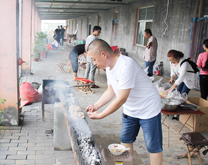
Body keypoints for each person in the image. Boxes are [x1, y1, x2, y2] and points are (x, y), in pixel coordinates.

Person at [86, 39, 163, 165]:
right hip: (130, 109)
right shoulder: (109, 67)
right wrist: (96, 105)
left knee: (153, 146)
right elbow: (111, 90)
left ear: (104, 55)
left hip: (148, 109)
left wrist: (101, 115)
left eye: (94, 59)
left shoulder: (126, 65)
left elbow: (121, 98)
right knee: (126, 140)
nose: (94, 63)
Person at [166, 50, 195, 120]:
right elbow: (172, 71)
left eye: (173, 60)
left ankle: (178, 114)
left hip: (188, 80)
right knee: (177, 94)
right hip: (181, 79)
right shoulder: (172, 62)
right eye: (170, 60)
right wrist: (172, 78)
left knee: (182, 96)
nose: (171, 62)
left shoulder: (184, 62)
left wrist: (171, 88)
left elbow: (181, 76)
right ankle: (174, 111)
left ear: (177, 58)